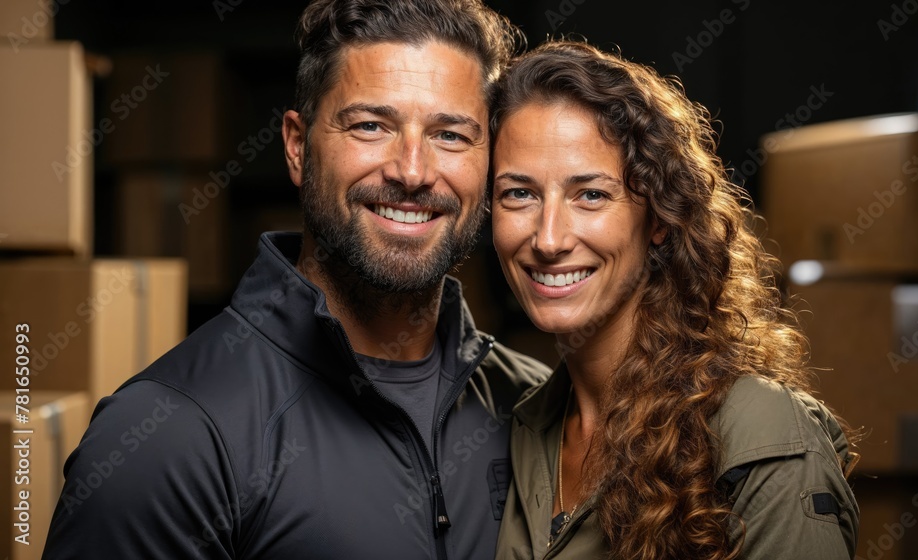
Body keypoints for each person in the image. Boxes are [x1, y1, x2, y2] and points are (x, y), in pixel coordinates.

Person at [42, 1, 549, 558]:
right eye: (370, 125)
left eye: (450, 135)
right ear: (296, 146)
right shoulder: (166, 437)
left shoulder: (537, 408)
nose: (412, 170)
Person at [490, 41, 859, 560]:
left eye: (591, 194)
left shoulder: (760, 435)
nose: (548, 239)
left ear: (659, 218)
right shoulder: (530, 427)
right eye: (519, 194)